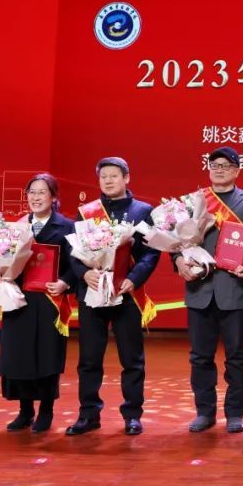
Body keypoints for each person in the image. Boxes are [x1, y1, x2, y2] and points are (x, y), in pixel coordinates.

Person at [65, 157, 161, 436]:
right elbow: (74, 251)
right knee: (89, 359)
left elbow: (151, 252)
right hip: (93, 292)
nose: (108, 181)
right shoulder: (87, 212)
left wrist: (134, 278)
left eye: (113, 175)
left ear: (126, 178)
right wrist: (84, 273)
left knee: (132, 359)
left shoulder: (143, 211)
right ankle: (88, 414)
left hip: (126, 294)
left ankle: (132, 415)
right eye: (103, 176)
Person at [175, 146, 243, 434]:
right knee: (200, 357)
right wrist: (178, 260)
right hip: (199, 289)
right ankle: (204, 412)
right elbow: (176, 240)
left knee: (236, 356)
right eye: (214, 165)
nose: (219, 170)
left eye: (226, 166)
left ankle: (235, 413)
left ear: (237, 170)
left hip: (233, 289)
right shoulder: (193, 201)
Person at [0, 173, 79, 433]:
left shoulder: (67, 227)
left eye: (42, 192)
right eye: (31, 192)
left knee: (47, 355)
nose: (36, 197)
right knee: (19, 355)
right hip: (19, 299)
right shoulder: (15, 227)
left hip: (49, 299)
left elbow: (77, 264)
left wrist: (65, 283)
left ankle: (46, 411)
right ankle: (25, 411)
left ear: (53, 197)